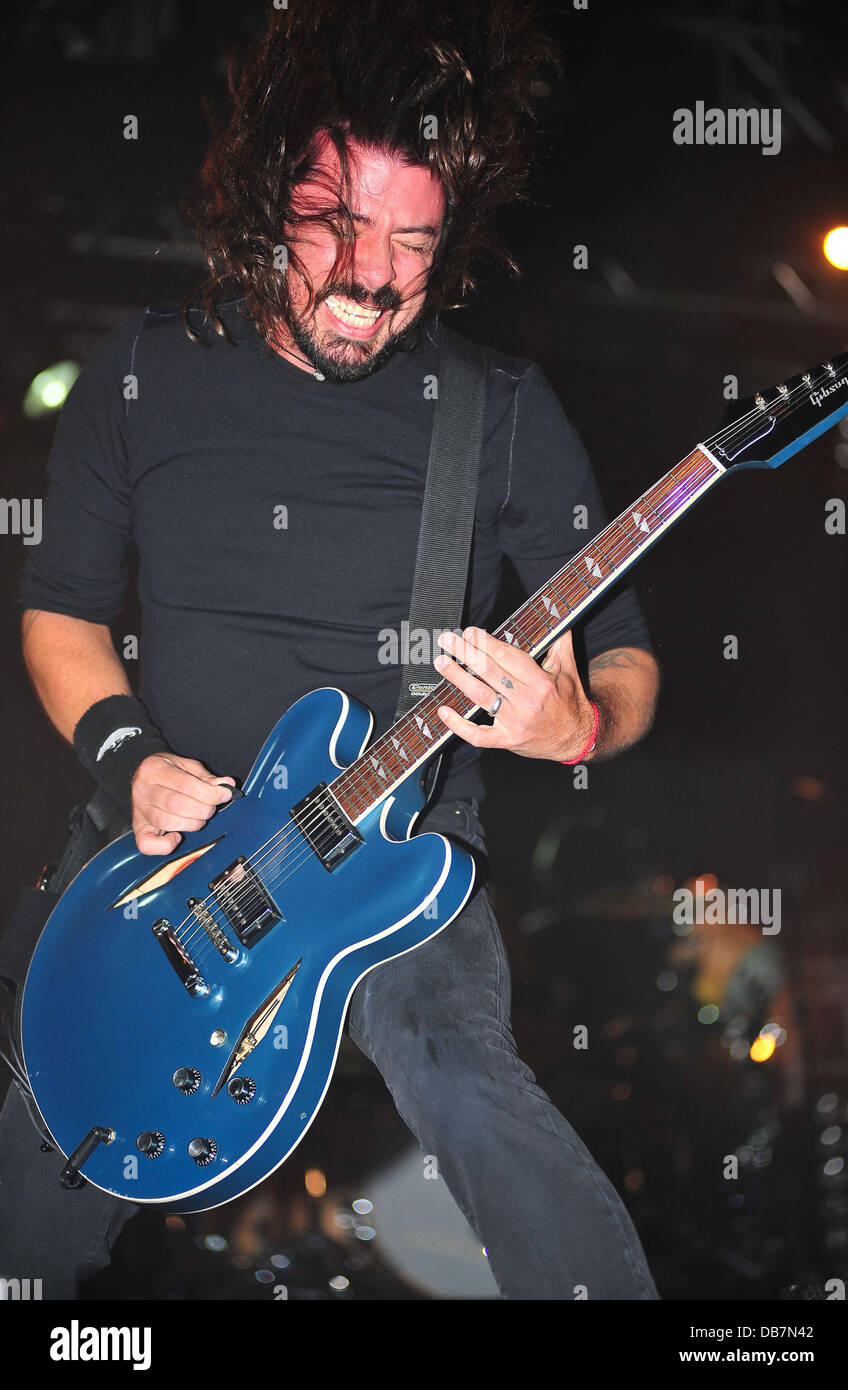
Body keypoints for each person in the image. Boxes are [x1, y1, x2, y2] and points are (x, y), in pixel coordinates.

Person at [1, 0, 660, 1300]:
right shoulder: (144, 373)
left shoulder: (503, 414)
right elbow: (60, 612)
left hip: (392, 853)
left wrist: (569, 724)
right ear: (263, 208)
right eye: (340, 228)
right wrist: (129, 757)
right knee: (37, 1155)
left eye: (413, 241)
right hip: (164, 853)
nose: (375, 277)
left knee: (463, 1074)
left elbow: (627, 662)